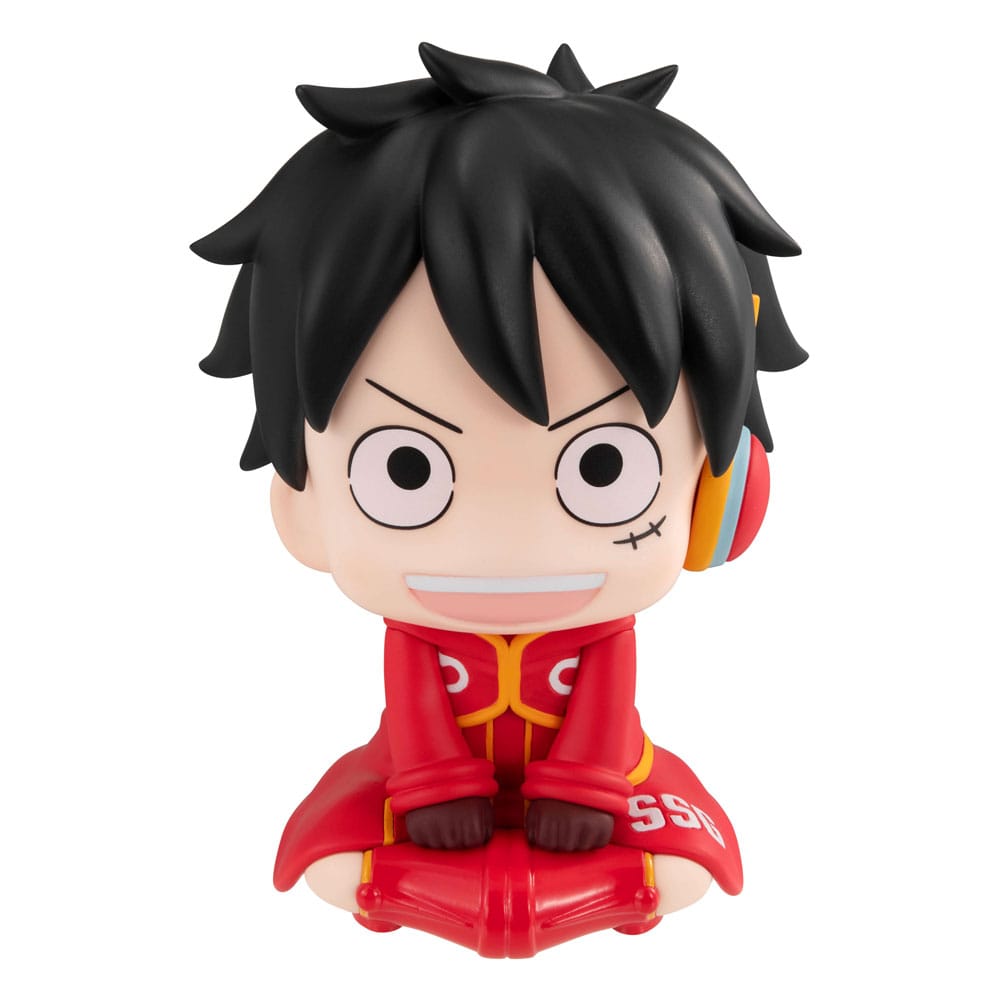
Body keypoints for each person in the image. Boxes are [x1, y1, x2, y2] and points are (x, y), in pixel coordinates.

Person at [193, 42, 806, 957]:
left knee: (687, 869)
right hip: (422, 784)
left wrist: (584, 790)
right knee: (328, 864)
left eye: (605, 467)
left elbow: (603, 714)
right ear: (302, 497)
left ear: (722, 495)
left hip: (604, 784)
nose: (506, 548)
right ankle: (489, 894)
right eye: (405, 472)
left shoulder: (603, 635)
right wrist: (435, 787)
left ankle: (520, 894)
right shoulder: (417, 637)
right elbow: (415, 712)